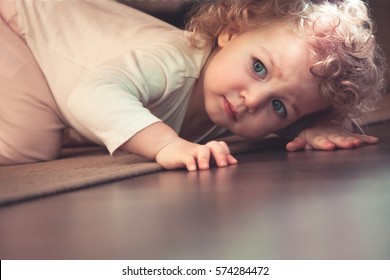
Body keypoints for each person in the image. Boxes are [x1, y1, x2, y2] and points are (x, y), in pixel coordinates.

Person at [0, 0, 386, 171]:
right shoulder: (173, 64)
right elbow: (91, 94)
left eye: (281, 107)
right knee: (29, 145)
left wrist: (316, 127)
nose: (251, 100)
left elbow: (290, 118)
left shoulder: (239, 101)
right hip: (22, 21)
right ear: (231, 33)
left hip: (57, 44)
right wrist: (167, 144)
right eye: (258, 68)